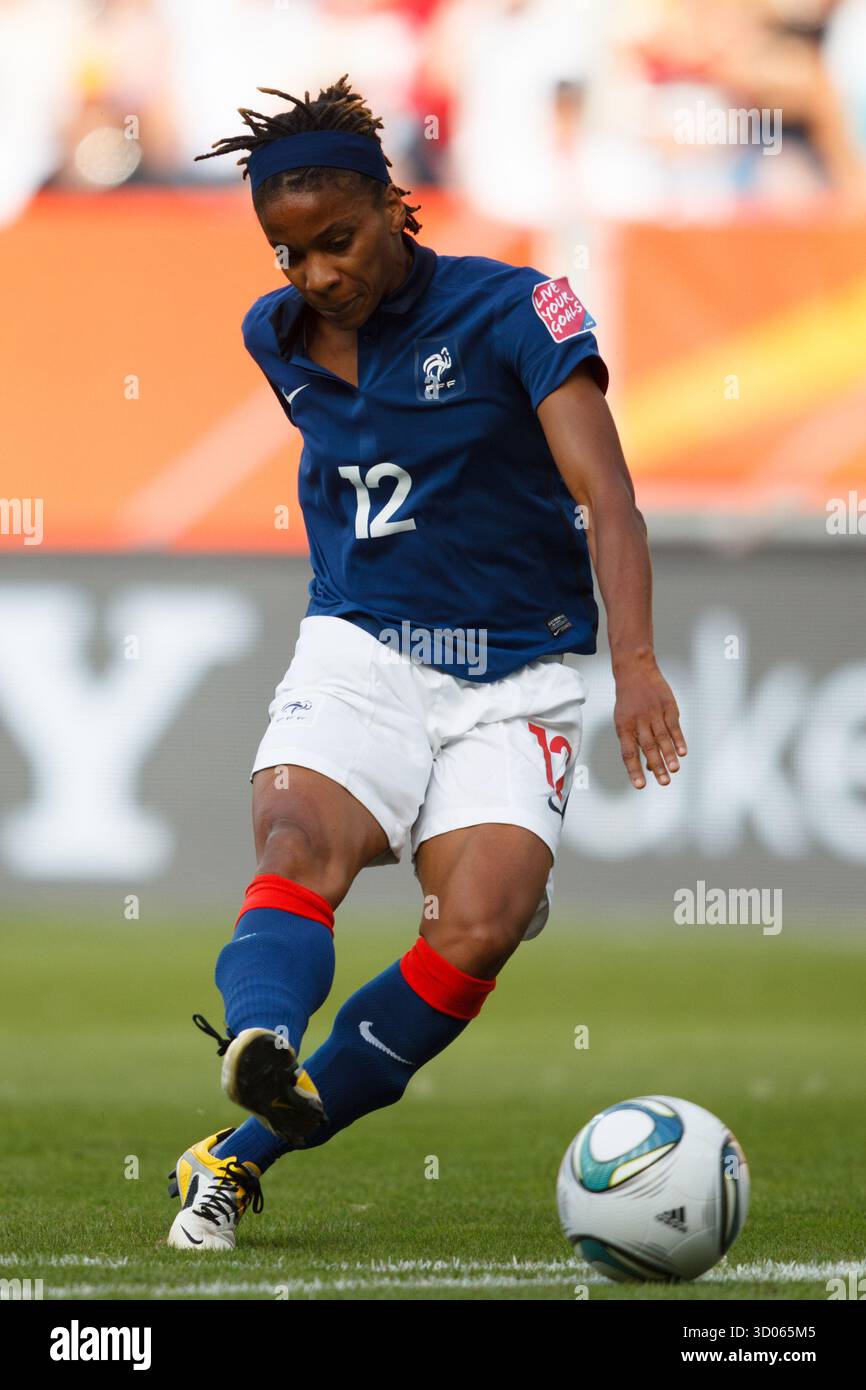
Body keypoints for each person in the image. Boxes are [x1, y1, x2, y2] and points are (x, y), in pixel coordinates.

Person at [167, 74, 686, 1251]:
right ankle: (263, 1042)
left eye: (337, 241)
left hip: (521, 671)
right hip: (362, 642)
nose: (316, 277)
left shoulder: (520, 311)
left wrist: (638, 664)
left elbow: (605, 495)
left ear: (396, 206)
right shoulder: (277, 336)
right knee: (297, 842)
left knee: (481, 921)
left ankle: (231, 1159)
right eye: (288, 253)